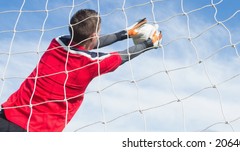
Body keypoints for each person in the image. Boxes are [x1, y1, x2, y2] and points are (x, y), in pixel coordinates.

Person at [0, 9, 162, 132]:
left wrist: (125, 33)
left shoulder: (57, 42)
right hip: (34, 131)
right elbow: (123, 56)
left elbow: (88, 42)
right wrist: (148, 44)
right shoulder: (90, 63)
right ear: (93, 35)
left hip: (6, 116)